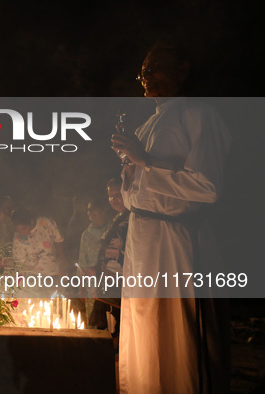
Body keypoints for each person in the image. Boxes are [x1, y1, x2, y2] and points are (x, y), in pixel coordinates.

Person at [111, 43, 231, 393]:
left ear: (184, 70)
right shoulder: (150, 122)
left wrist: (145, 160)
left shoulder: (198, 115)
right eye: (144, 71)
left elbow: (207, 186)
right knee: (145, 334)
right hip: (142, 240)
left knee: (177, 337)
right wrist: (131, 165)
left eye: (157, 67)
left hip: (174, 240)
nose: (147, 76)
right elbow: (139, 189)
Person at [89, 178, 129, 337]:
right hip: (107, 281)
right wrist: (97, 269)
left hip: (121, 283)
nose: (114, 200)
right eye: (110, 196)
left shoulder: (134, 219)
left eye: (118, 194)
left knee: (118, 327)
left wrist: (119, 255)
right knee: (100, 324)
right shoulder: (118, 218)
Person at [77, 198, 111, 324]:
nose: (90, 213)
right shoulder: (86, 234)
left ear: (104, 210)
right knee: (94, 320)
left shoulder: (112, 230)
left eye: (93, 210)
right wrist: (82, 288)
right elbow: (82, 262)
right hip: (91, 285)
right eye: (88, 210)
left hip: (110, 283)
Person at [11, 208, 64, 278]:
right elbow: (20, 264)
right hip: (32, 278)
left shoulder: (46, 224)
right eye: (18, 230)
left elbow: (59, 243)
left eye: (24, 228)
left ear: (31, 222)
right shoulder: (18, 239)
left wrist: (63, 266)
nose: (22, 233)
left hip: (53, 273)